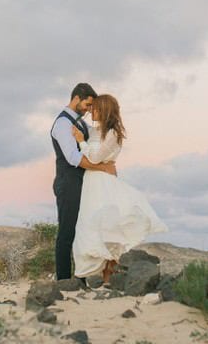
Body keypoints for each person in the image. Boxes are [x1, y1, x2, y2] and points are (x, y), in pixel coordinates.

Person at [71, 94, 167, 283]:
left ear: (105, 110)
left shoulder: (113, 134)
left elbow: (95, 158)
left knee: (108, 225)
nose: (92, 111)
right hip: (91, 182)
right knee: (88, 225)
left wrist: (81, 141)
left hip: (102, 182)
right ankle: (91, 274)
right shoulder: (96, 131)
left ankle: (108, 275)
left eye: (96, 108)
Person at [50, 83, 117, 281]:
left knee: (83, 231)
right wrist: (103, 168)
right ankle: (63, 281)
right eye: (88, 105)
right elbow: (73, 157)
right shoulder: (63, 124)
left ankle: (80, 279)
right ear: (77, 98)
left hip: (83, 183)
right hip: (68, 182)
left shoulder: (80, 123)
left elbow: (97, 138)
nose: (89, 110)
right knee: (67, 232)